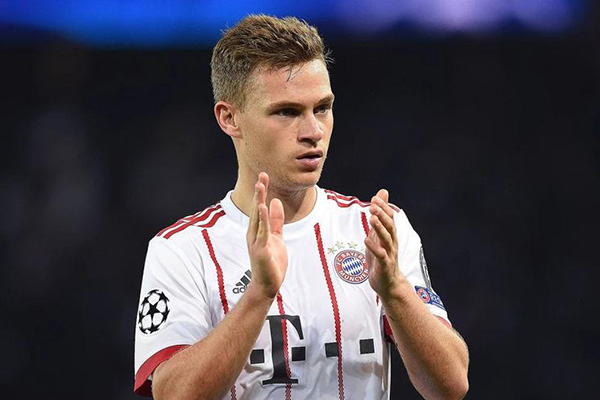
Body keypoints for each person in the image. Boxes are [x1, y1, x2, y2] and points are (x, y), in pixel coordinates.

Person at [134, 14, 469, 400]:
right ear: (229, 118)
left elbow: (451, 386)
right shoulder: (182, 251)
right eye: (287, 112)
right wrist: (259, 294)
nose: (313, 131)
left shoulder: (377, 229)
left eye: (322, 108)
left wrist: (395, 291)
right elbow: (173, 395)